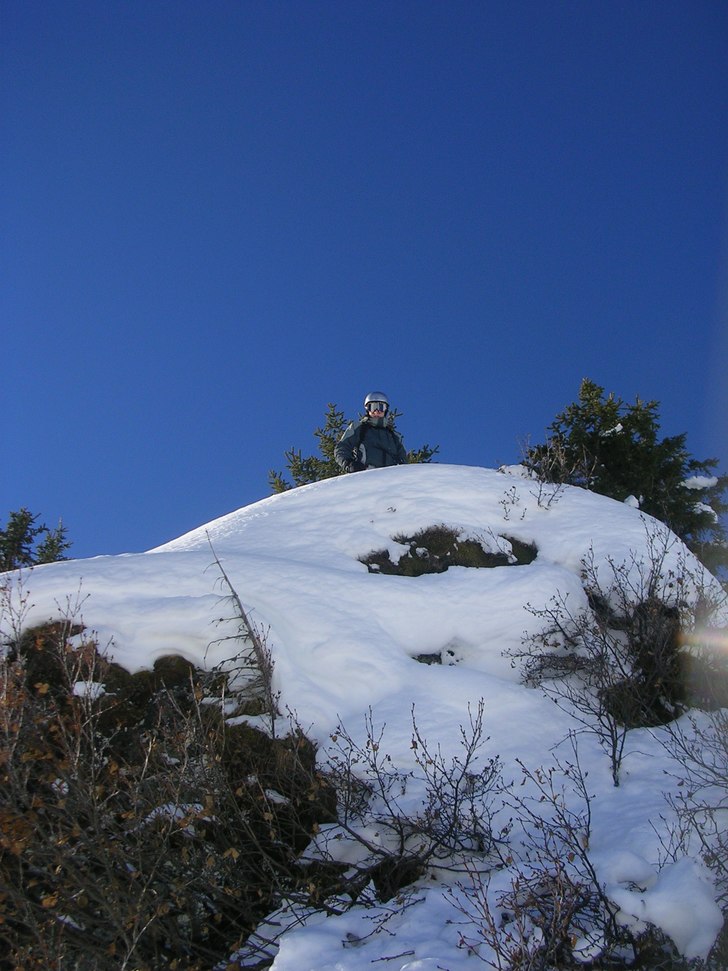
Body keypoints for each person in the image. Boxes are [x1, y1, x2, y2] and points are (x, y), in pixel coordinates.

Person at [334, 392, 408, 473]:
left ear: (386, 410)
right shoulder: (359, 428)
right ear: (367, 409)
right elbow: (342, 447)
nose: (376, 411)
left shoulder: (394, 436)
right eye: (372, 407)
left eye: (381, 407)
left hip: (390, 477)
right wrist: (349, 463)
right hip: (367, 474)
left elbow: (403, 460)